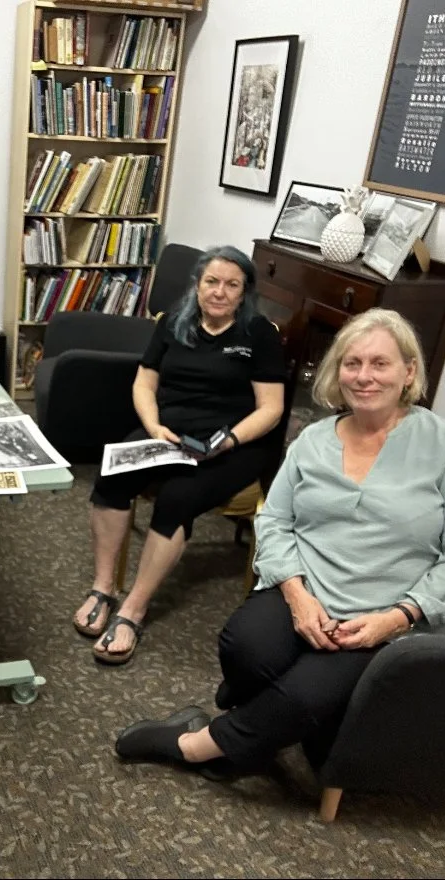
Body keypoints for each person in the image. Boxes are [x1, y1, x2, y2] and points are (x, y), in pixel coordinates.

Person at [114, 308, 445, 777]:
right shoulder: (313, 440)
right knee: (243, 645)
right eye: (352, 364)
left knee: (307, 694)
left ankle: (194, 744)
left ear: (408, 371)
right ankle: (262, 730)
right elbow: (273, 520)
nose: (364, 376)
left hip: (389, 610)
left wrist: (395, 618)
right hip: (309, 587)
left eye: (380, 363)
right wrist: (296, 595)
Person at [73, 245, 286, 664]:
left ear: (244, 293)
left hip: (232, 443)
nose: (220, 292)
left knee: (177, 499)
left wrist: (227, 440)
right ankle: (103, 587)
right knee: (110, 475)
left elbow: (271, 409)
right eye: (212, 282)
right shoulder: (173, 323)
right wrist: (153, 428)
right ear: (197, 285)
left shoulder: (258, 334)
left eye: (232, 285)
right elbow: (143, 385)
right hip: (168, 431)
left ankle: (134, 608)